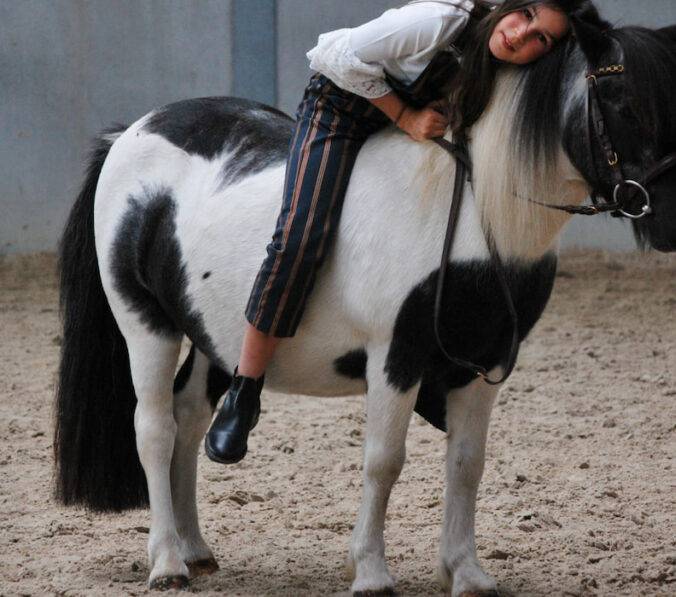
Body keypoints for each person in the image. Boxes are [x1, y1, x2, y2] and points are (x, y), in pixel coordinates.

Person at [205, 0, 584, 464]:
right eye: (525, 16)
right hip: (341, 113)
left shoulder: (504, 63)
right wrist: (405, 117)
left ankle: (426, 373)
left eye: (540, 38)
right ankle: (244, 390)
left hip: (406, 129)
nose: (521, 35)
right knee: (300, 239)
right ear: (511, 4)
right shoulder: (438, 21)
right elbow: (333, 54)